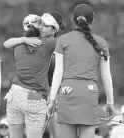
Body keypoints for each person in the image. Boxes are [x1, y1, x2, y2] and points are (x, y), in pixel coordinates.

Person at [47, 4, 115, 138]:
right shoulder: (101, 42)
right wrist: (110, 103)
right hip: (89, 94)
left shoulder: (63, 40)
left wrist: (52, 100)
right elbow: (106, 76)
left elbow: (58, 72)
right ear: (92, 19)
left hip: (67, 91)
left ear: (74, 20)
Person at [3, 12, 64, 138]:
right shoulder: (49, 44)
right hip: (35, 96)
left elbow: (6, 43)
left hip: (14, 95)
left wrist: (24, 39)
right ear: (40, 28)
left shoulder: (18, 46)